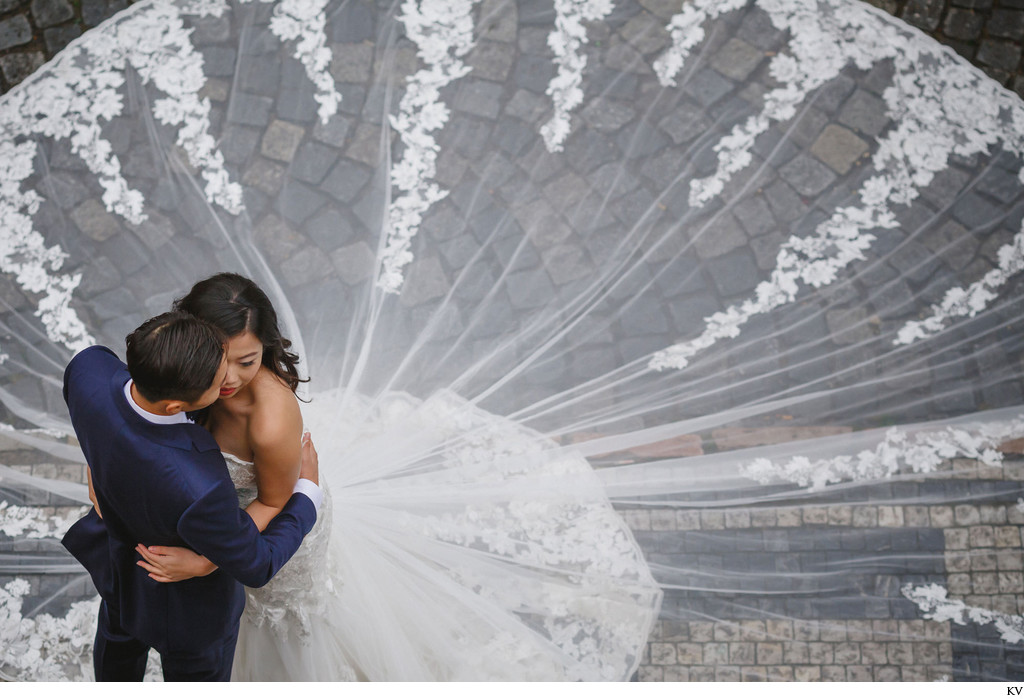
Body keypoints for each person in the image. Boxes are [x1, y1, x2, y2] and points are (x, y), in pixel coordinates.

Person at [61, 311, 323, 681]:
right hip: (189, 616)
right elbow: (257, 563)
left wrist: (99, 469)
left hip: (118, 567)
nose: (229, 382)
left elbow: (92, 417)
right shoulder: (199, 482)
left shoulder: (88, 367)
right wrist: (308, 492)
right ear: (176, 407)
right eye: (218, 383)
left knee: (116, 645)